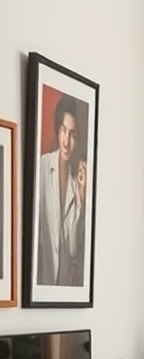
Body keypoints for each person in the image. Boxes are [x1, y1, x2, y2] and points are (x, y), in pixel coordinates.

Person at [36, 93, 87, 287]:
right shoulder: (43, 166)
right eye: (63, 130)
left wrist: (81, 200)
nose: (66, 141)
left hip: (64, 290)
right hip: (40, 284)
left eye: (72, 134)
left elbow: (73, 249)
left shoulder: (77, 181)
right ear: (58, 129)